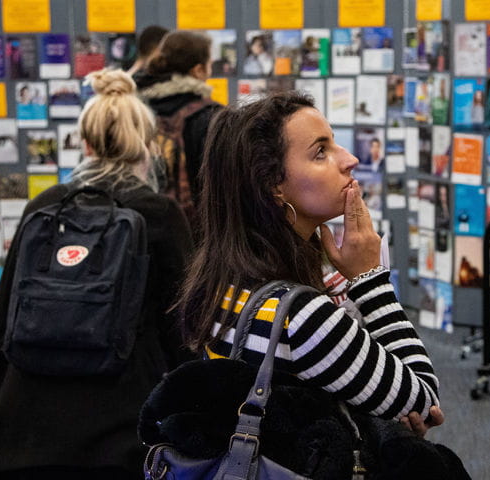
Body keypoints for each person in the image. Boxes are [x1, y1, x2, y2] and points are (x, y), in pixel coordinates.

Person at [176, 91, 445, 439]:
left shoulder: (220, 280)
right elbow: (425, 401)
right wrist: (370, 279)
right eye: (321, 152)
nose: (349, 159)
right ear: (274, 188)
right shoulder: (301, 317)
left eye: (334, 144)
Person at [0, 69, 194, 479]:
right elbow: (185, 328)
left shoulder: (44, 207)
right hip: (121, 429)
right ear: (146, 143)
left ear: (84, 143)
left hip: (22, 428)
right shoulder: (158, 213)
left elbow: (2, 325)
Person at [135, 30, 221, 225]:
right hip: (192, 232)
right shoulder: (212, 117)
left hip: (137, 228)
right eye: (209, 65)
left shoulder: (134, 108)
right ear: (198, 70)